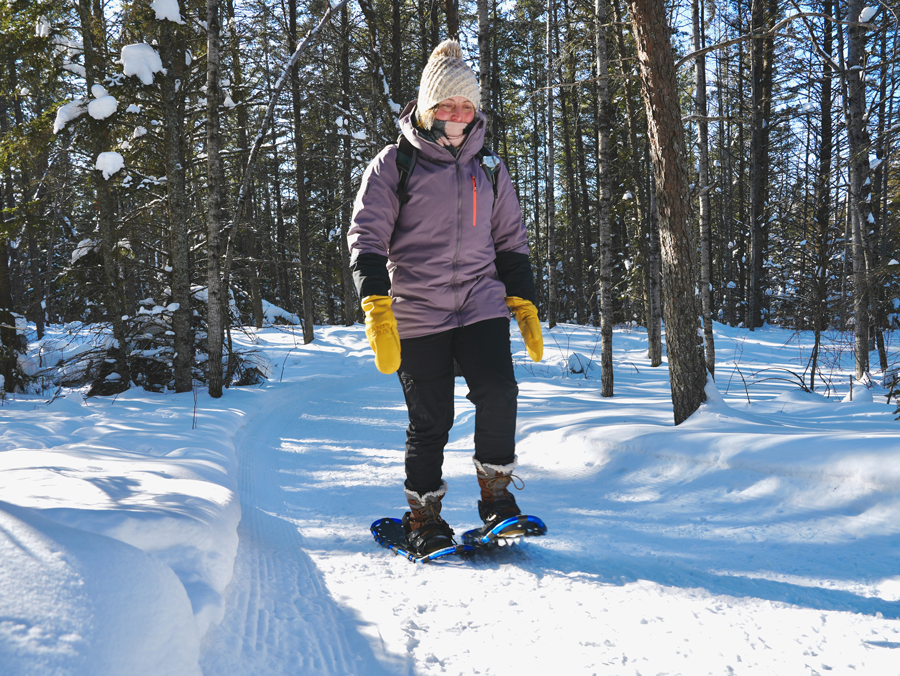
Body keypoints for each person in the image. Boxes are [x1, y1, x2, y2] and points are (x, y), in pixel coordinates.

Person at [347, 39, 543, 557]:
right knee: (431, 420)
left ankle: (497, 500)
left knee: (499, 392)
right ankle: (424, 517)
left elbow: (510, 240)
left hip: (480, 302)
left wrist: (523, 301)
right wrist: (376, 306)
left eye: (466, 105)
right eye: (446, 104)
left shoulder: (490, 167)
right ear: (427, 107)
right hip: (418, 308)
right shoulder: (395, 164)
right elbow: (367, 238)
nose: (457, 114)